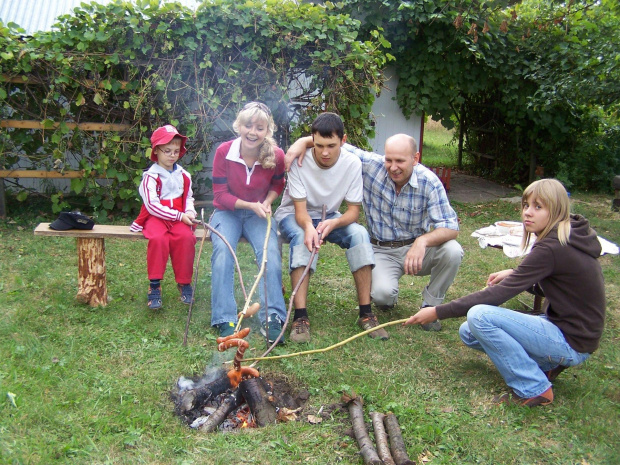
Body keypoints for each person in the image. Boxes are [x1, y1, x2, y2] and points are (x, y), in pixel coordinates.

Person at [404, 179, 606, 407]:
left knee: (480, 316)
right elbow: (558, 284)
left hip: (572, 340)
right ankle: (544, 365)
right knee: (468, 332)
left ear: (557, 209)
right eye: (526, 205)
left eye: (538, 207)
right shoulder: (565, 237)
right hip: (567, 330)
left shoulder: (552, 246)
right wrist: (514, 273)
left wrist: (437, 312)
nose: (528, 213)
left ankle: (534, 388)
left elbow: (497, 296)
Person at [286, 133, 463, 333]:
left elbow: (450, 227)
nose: (393, 167)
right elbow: (336, 143)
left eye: (400, 161)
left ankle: (430, 307)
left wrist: (422, 241)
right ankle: (387, 295)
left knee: (452, 251)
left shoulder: (429, 182)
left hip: (416, 250)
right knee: (382, 296)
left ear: (415, 158)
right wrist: (302, 141)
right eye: (389, 160)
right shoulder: (372, 166)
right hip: (382, 249)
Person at [274, 112, 382, 343]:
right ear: (312, 139)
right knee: (304, 237)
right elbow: (301, 213)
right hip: (293, 214)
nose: (324, 152)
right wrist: (309, 228)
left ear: (343, 141)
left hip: (330, 216)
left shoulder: (352, 163)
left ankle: (366, 313)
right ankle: (300, 318)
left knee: (360, 234)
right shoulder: (300, 162)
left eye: (331, 146)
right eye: (319, 145)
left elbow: (353, 211)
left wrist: (335, 222)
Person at [210, 102, 287, 344]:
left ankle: (272, 317)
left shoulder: (276, 155)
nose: (253, 132)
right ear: (238, 126)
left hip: (258, 214)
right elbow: (220, 195)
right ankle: (225, 318)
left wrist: (267, 201)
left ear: (268, 130)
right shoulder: (224, 152)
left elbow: (278, 184)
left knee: (270, 253)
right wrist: (249, 204)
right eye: (248, 126)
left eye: (260, 127)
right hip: (227, 212)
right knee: (223, 251)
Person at [130, 125, 197, 309]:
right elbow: (152, 206)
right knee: (158, 239)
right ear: (156, 151)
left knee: (185, 238)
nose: (172, 155)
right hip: (156, 217)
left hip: (179, 217)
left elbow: (189, 197)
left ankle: (184, 283)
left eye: (176, 151)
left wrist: (189, 212)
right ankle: (154, 285)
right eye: (167, 151)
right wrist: (179, 215)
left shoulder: (184, 175)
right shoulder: (150, 177)